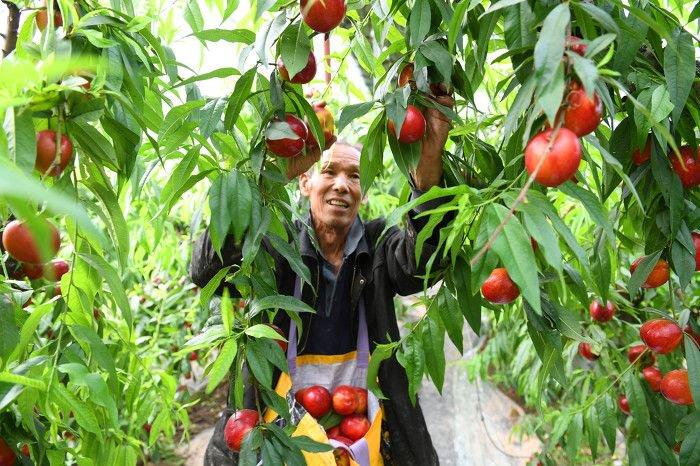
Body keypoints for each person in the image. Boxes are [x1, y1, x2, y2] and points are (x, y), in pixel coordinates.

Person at [190, 94, 454, 465]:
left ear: (362, 194)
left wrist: (428, 163)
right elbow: (206, 269)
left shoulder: (378, 247)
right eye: (329, 172)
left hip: (357, 429)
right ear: (304, 183)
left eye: (355, 177)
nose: (342, 185)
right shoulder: (276, 246)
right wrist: (268, 179)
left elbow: (425, 259)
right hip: (279, 428)